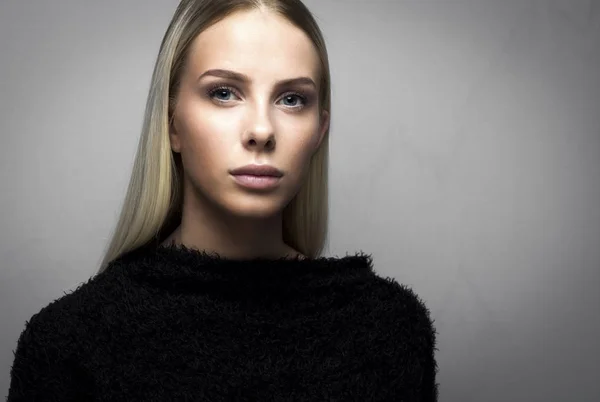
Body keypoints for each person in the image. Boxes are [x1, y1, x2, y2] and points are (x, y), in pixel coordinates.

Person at [7, 0, 439, 400]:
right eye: (224, 92)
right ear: (172, 121)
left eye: (292, 99)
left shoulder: (389, 330)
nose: (262, 131)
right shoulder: (68, 343)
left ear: (319, 131)